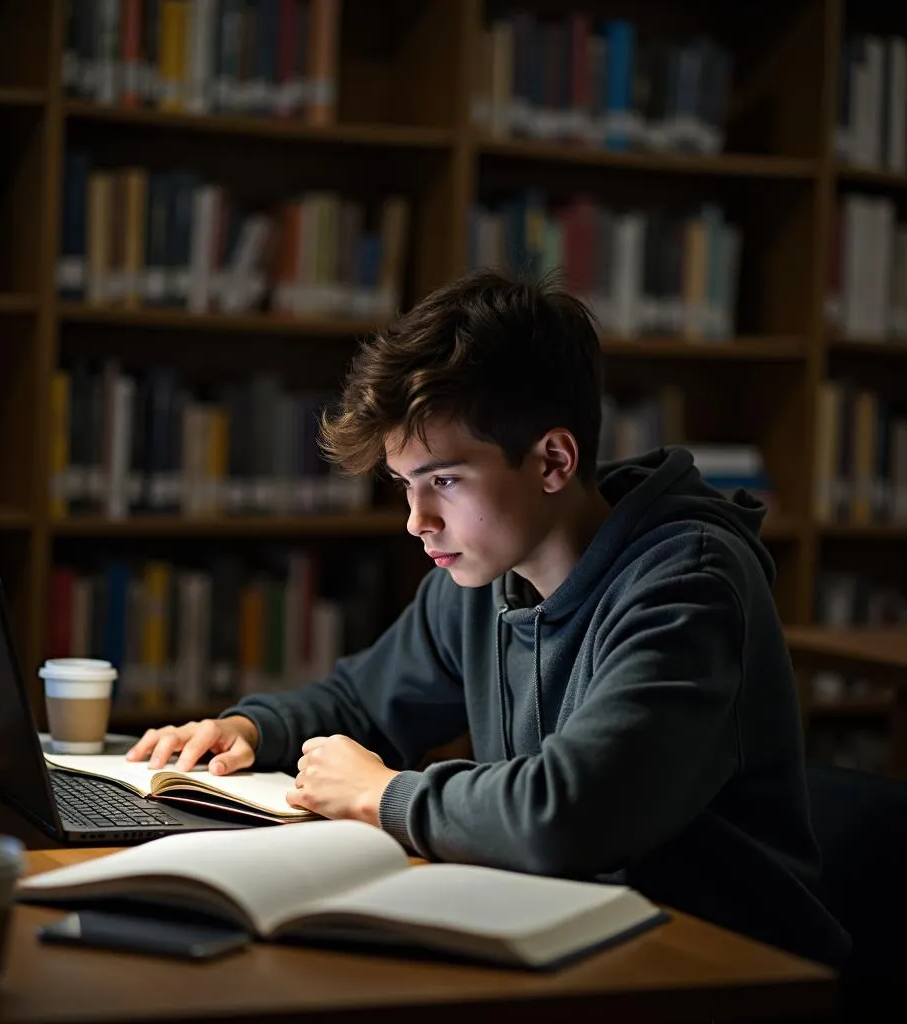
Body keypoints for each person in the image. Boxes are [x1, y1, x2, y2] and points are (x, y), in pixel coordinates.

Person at [127, 268, 850, 967]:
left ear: (553, 461)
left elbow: (570, 814)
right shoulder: (481, 574)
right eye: (406, 485)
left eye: (443, 480)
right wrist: (249, 730)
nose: (417, 521)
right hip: (569, 930)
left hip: (727, 963)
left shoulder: (687, 585)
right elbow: (359, 703)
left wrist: (384, 795)